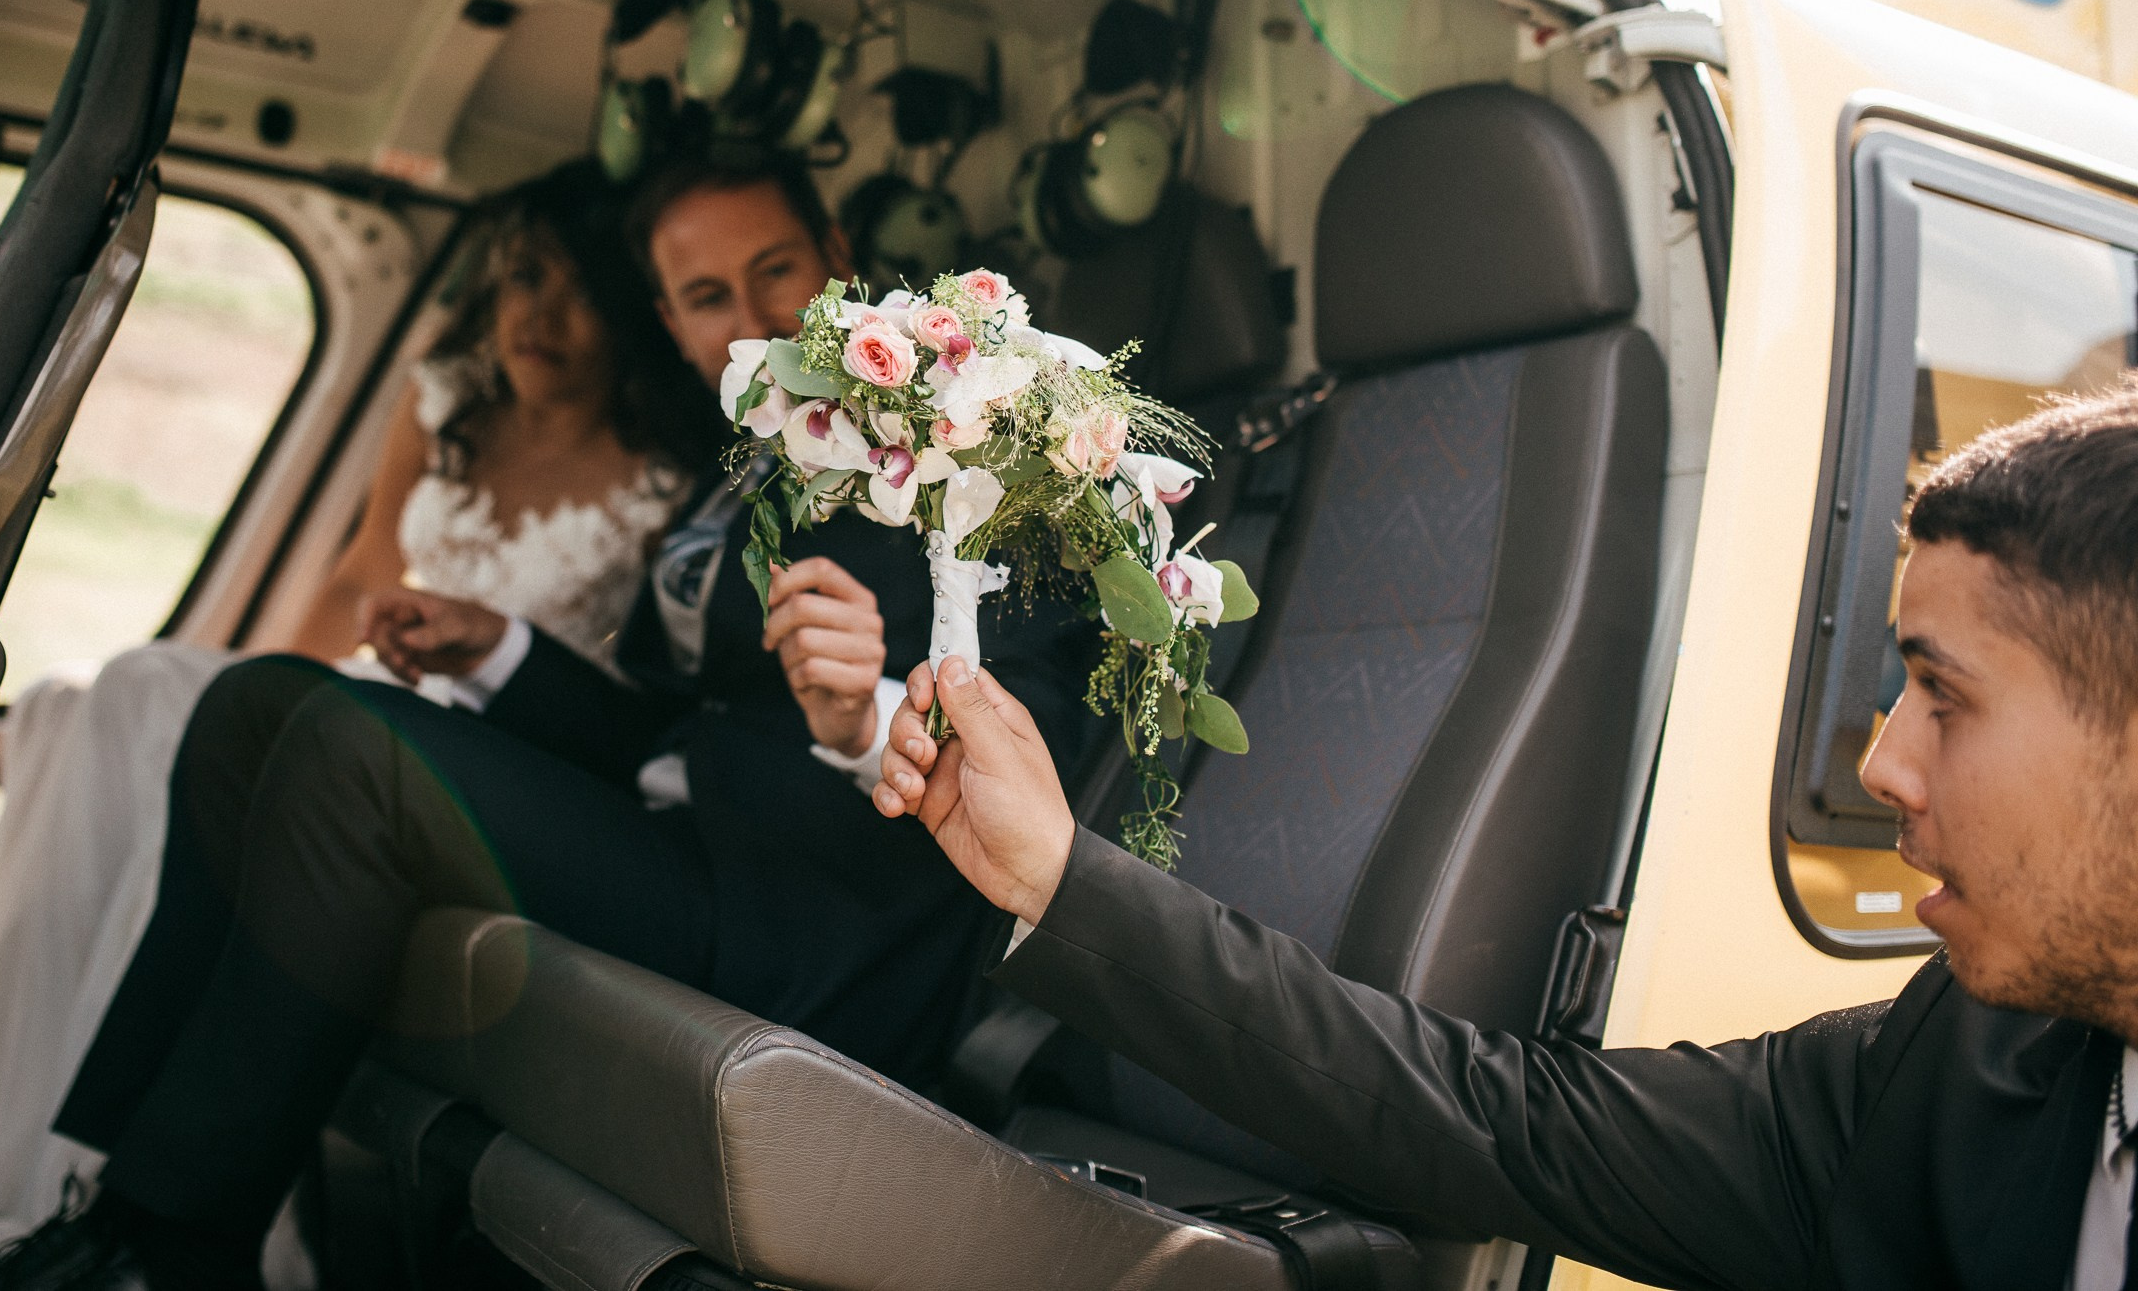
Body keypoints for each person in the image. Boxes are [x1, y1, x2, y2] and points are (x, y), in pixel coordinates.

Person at [0, 154, 1097, 1291]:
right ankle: (113, 1196)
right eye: (708, 298)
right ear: (669, 320)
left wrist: (861, 722)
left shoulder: (980, 458)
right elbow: (669, 736)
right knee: (255, 703)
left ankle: (170, 1253)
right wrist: (497, 650)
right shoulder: (744, 474)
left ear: (837, 257)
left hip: (802, 924)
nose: (753, 320)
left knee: (352, 752)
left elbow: (1031, 748)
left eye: (777, 272)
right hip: (679, 847)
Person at [875, 383, 2138, 1291]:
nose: (1883, 766)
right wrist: (1058, 872)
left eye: (1946, 696)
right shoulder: (1953, 1061)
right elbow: (1502, 1119)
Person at [0, 160, 705, 1266]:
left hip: (487, 762)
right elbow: (355, 584)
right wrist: (242, 720)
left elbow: (620, 710)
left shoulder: (670, 478)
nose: (540, 314)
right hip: (363, 704)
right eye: (521, 277)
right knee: (118, 696)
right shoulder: (445, 405)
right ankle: (16, 1139)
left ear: (637, 311)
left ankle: (78, 1176)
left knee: (153, 695)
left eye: (581, 288)